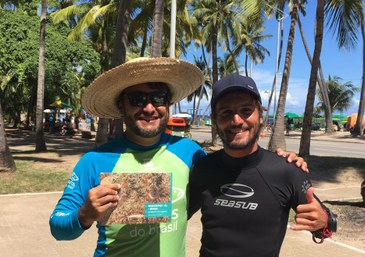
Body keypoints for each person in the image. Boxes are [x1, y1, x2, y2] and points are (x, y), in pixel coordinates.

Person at [49, 57, 309, 257]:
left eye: (158, 97)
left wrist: (281, 158)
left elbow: (238, 165)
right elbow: (58, 226)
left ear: (168, 103)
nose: (149, 107)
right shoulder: (96, 160)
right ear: (122, 106)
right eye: (137, 98)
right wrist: (84, 214)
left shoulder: (190, 153)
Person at [188, 73, 336, 257]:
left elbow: (324, 223)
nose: (236, 120)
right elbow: (176, 217)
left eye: (246, 110)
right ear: (214, 118)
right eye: (226, 112)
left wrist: (324, 220)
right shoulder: (203, 168)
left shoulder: (287, 170)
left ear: (260, 115)